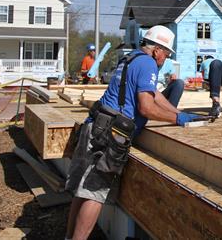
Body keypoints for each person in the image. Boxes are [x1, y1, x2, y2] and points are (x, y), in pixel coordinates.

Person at [65, 26, 201, 240]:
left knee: (82, 191)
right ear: (157, 50)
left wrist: (180, 112)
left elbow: (154, 93)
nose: (165, 58)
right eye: (166, 53)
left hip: (95, 123)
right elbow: (146, 107)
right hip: (110, 134)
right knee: (94, 193)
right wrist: (176, 119)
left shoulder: (131, 59)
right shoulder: (148, 64)